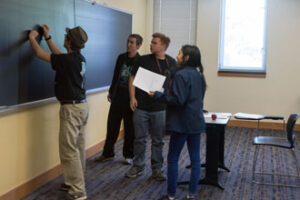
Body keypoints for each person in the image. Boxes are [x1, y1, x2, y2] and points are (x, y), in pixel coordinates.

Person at [29, 25, 89, 200]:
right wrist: (48, 38)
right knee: (77, 147)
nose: (64, 38)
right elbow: (59, 57)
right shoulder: (78, 58)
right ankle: (75, 181)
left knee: (69, 150)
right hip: (81, 107)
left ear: (69, 42)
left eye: (66, 36)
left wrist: (32, 39)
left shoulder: (68, 60)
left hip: (71, 109)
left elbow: (41, 55)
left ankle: (78, 191)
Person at [150, 45, 207, 200]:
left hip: (181, 123)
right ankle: (192, 193)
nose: (177, 56)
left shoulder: (181, 75)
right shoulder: (198, 75)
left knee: (173, 158)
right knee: (195, 159)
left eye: (180, 53)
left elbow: (177, 100)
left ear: (187, 58)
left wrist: (158, 95)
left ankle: (171, 195)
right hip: (195, 121)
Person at [125, 33, 177, 181]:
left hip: (160, 107)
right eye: (151, 42)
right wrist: (132, 97)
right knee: (139, 138)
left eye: (155, 43)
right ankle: (138, 166)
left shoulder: (171, 63)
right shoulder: (143, 60)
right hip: (141, 106)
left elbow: (173, 82)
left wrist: (169, 96)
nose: (151, 45)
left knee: (158, 140)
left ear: (163, 46)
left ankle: (157, 169)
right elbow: (132, 78)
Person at [94, 34, 143, 164]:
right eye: (128, 41)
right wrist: (111, 91)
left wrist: (136, 99)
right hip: (117, 97)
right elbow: (116, 75)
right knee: (112, 126)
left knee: (129, 128)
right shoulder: (121, 57)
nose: (129, 44)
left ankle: (128, 155)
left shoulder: (140, 61)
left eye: (132, 43)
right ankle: (108, 153)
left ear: (138, 46)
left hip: (130, 99)